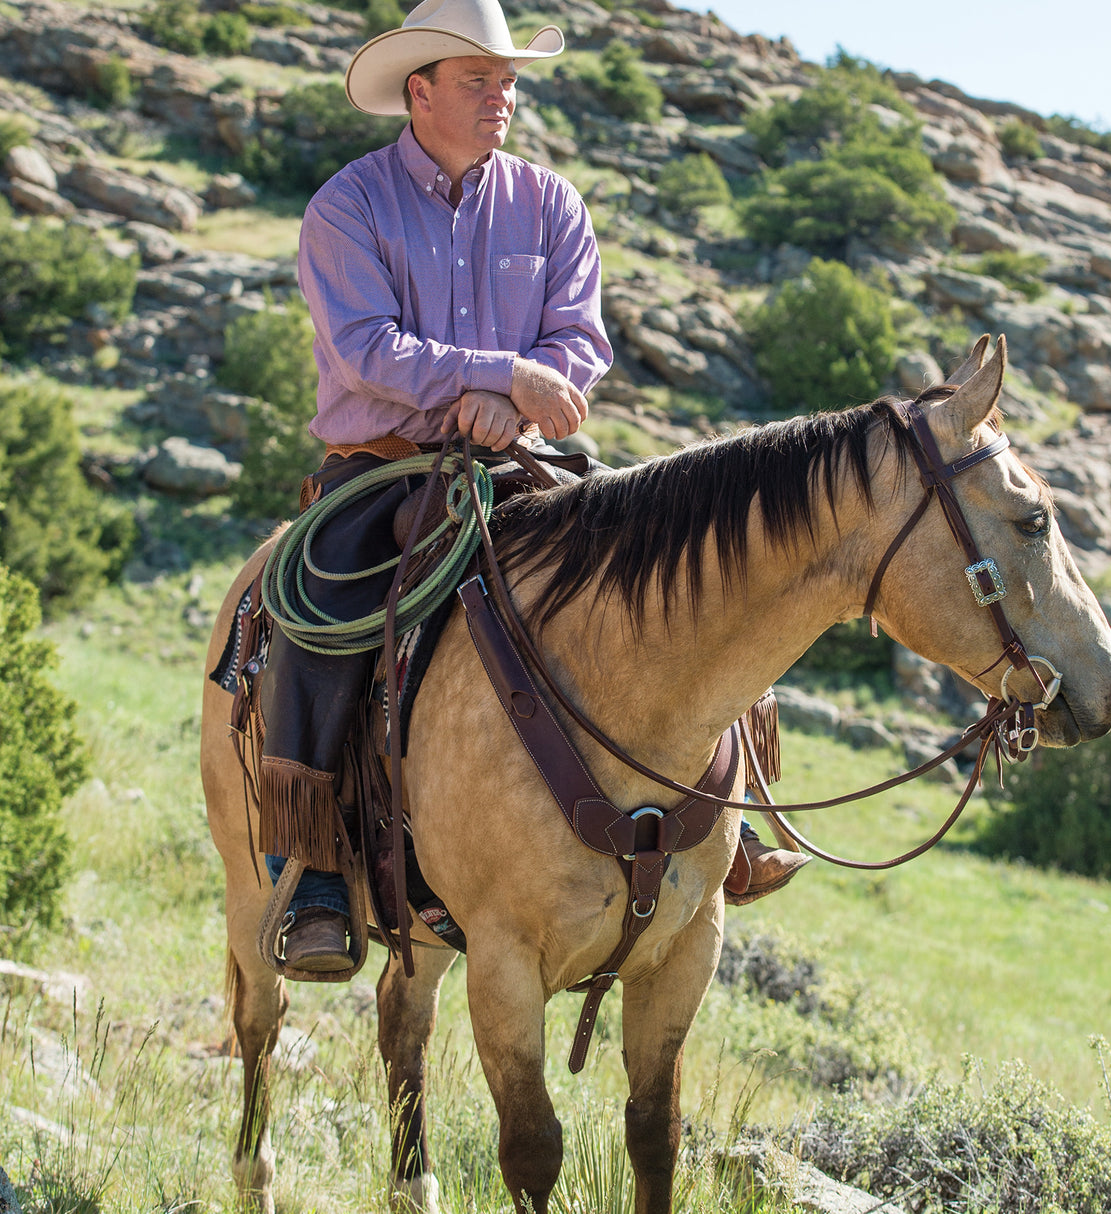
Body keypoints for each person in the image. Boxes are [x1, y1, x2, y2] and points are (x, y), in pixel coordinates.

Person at [259, 0, 806, 973]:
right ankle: (314, 870)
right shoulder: (348, 204)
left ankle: (739, 811)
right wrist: (498, 375)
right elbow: (365, 348)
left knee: (684, 564)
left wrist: (513, 401)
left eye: (507, 80)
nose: (501, 96)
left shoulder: (550, 205)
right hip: (381, 463)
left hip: (522, 461)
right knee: (323, 607)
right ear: (418, 91)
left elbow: (579, 345)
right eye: (479, 79)